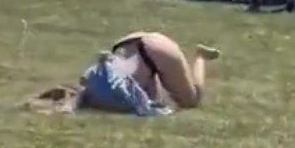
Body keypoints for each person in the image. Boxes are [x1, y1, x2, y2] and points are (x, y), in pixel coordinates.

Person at [30, 32, 221, 116]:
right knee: (176, 98)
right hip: (136, 46)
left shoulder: (94, 88)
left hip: (139, 47)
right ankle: (198, 57)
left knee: (192, 100)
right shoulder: (92, 81)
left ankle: (200, 56)